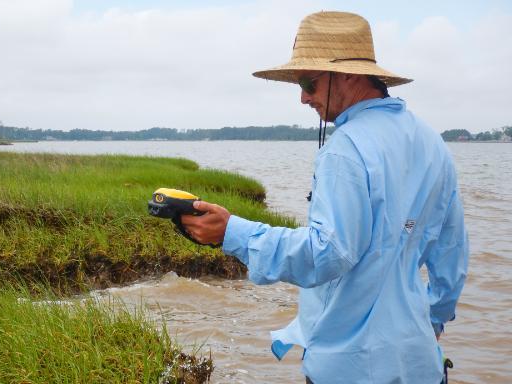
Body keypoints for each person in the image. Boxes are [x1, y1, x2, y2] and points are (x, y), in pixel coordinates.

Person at [181, 11, 469, 384]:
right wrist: (431, 320)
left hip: (348, 369)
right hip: (422, 365)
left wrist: (232, 232)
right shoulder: (433, 143)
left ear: (348, 74)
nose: (303, 98)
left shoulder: (345, 149)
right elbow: (452, 257)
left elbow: (328, 254)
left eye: (308, 82)